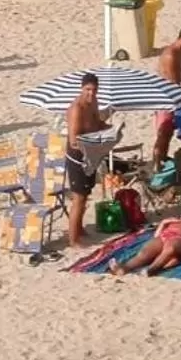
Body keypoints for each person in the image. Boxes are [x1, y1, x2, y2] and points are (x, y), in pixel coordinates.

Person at [64, 73, 110, 247]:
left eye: (94, 90)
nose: (91, 93)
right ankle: (73, 239)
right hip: (77, 157)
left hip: (90, 154)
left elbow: (97, 123)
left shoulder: (94, 103)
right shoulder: (77, 108)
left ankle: (80, 229)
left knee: (86, 194)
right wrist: (95, 143)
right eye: (88, 90)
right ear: (82, 89)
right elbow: (74, 141)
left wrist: (109, 129)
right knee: (79, 197)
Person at [109, 218, 181, 277]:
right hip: (165, 236)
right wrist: (164, 223)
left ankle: (151, 270)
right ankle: (124, 268)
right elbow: (156, 236)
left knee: (169, 249)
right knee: (145, 252)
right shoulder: (174, 223)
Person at [151, 27, 181, 166]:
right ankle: (156, 163)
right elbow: (173, 83)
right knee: (163, 134)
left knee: (169, 133)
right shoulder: (170, 55)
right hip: (165, 98)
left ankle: (163, 159)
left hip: (175, 97)